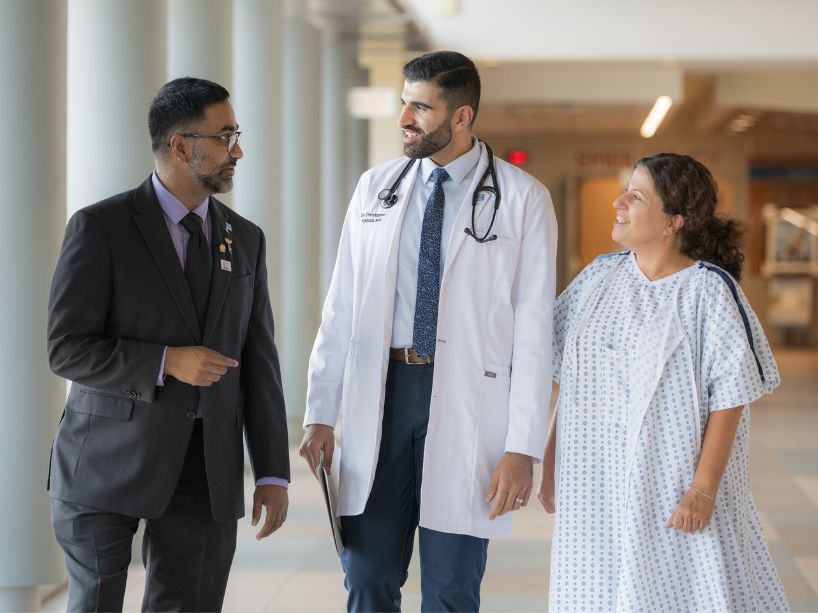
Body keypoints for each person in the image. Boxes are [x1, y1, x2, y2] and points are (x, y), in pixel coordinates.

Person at [299, 50, 557, 612]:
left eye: (420, 107)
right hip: (382, 393)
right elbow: (340, 305)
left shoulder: (523, 199)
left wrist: (522, 448)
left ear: (461, 117)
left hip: (468, 400)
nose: (404, 118)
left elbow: (535, 332)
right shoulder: (376, 188)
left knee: (451, 588)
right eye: (403, 103)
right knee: (366, 576)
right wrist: (320, 410)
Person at [47, 77, 290, 612]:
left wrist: (271, 471)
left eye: (237, 134)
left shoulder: (245, 238)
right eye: (225, 136)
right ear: (181, 146)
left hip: (206, 470)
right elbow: (67, 348)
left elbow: (259, 361)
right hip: (105, 462)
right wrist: (165, 362)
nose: (238, 151)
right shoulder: (100, 227)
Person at [539, 153, 789, 612]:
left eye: (636, 196)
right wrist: (552, 460)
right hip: (593, 481)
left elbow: (729, 399)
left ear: (675, 220)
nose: (619, 202)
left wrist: (703, 490)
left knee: (685, 592)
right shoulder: (597, 277)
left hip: (672, 482)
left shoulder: (709, 291)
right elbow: (573, 379)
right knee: (592, 590)